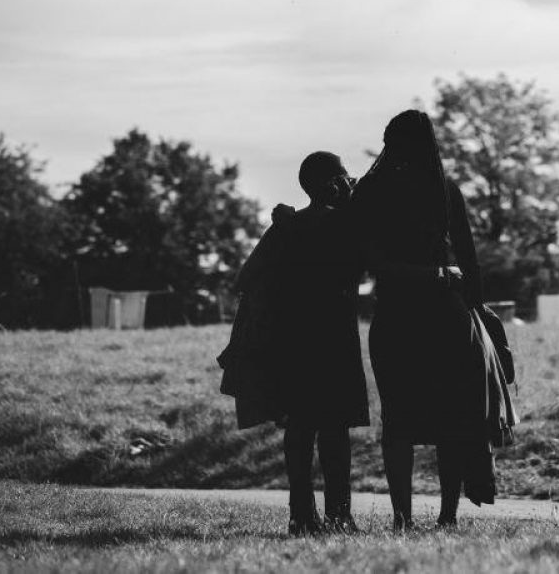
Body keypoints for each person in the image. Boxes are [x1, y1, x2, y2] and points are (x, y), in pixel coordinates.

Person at [351, 109, 514, 530]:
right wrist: (476, 308)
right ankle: (446, 516)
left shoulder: (370, 190)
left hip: (395, 315)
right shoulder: (444, 189)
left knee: (397, 419)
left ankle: (402, 518)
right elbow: (470, 259)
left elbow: (364, 256)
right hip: (446, 315)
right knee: (451, 418)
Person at [219, 151, 369, 535]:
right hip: (334, 339)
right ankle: (339, 514)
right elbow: (363, 265)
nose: (351, 183)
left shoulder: (288, 226)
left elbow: (245, 277)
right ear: (331, 184)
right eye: (345, 178)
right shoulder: (348, 224)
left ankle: (301, 514)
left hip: (292, 341)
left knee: (300, 430)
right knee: (334, 431)